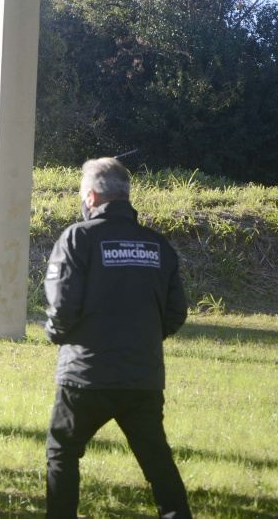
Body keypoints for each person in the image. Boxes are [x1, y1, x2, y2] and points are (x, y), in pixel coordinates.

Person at [43, 157, 192, 518]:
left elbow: (61, 308)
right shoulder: (157, 245)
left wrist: (57, 336)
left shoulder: (78, 238)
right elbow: (176, 313)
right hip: (142, 376)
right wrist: (141, 340)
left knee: (62, 452)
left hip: (86, 376)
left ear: (91, 196)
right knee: (157, 461)